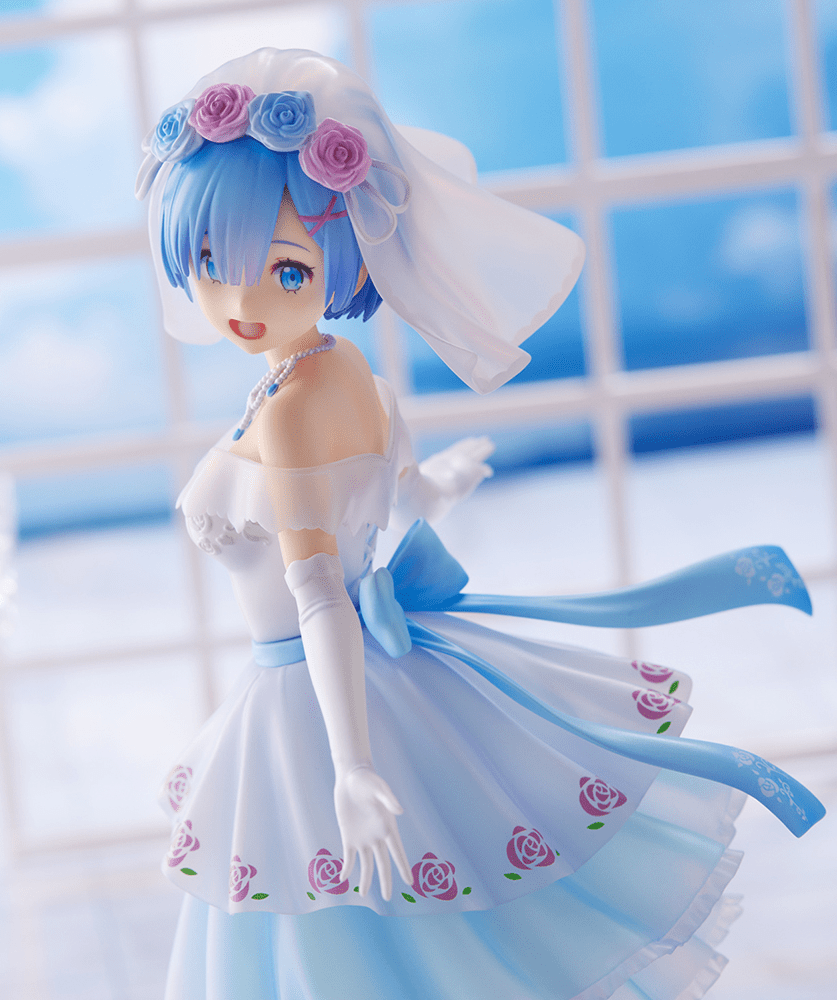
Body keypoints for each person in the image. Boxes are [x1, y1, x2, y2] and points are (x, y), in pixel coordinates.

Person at [136, 47, 824, 1000]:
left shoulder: (293, 410)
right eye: (212, 263)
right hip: (366, 677)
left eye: (285, 271)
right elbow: (393, 500)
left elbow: (321, 594)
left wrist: (351, 767)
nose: (240, 302)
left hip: (311, 701)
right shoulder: (343, 373)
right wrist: (439, 486)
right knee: (415, 941)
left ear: (345, 259)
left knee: (333, 943)